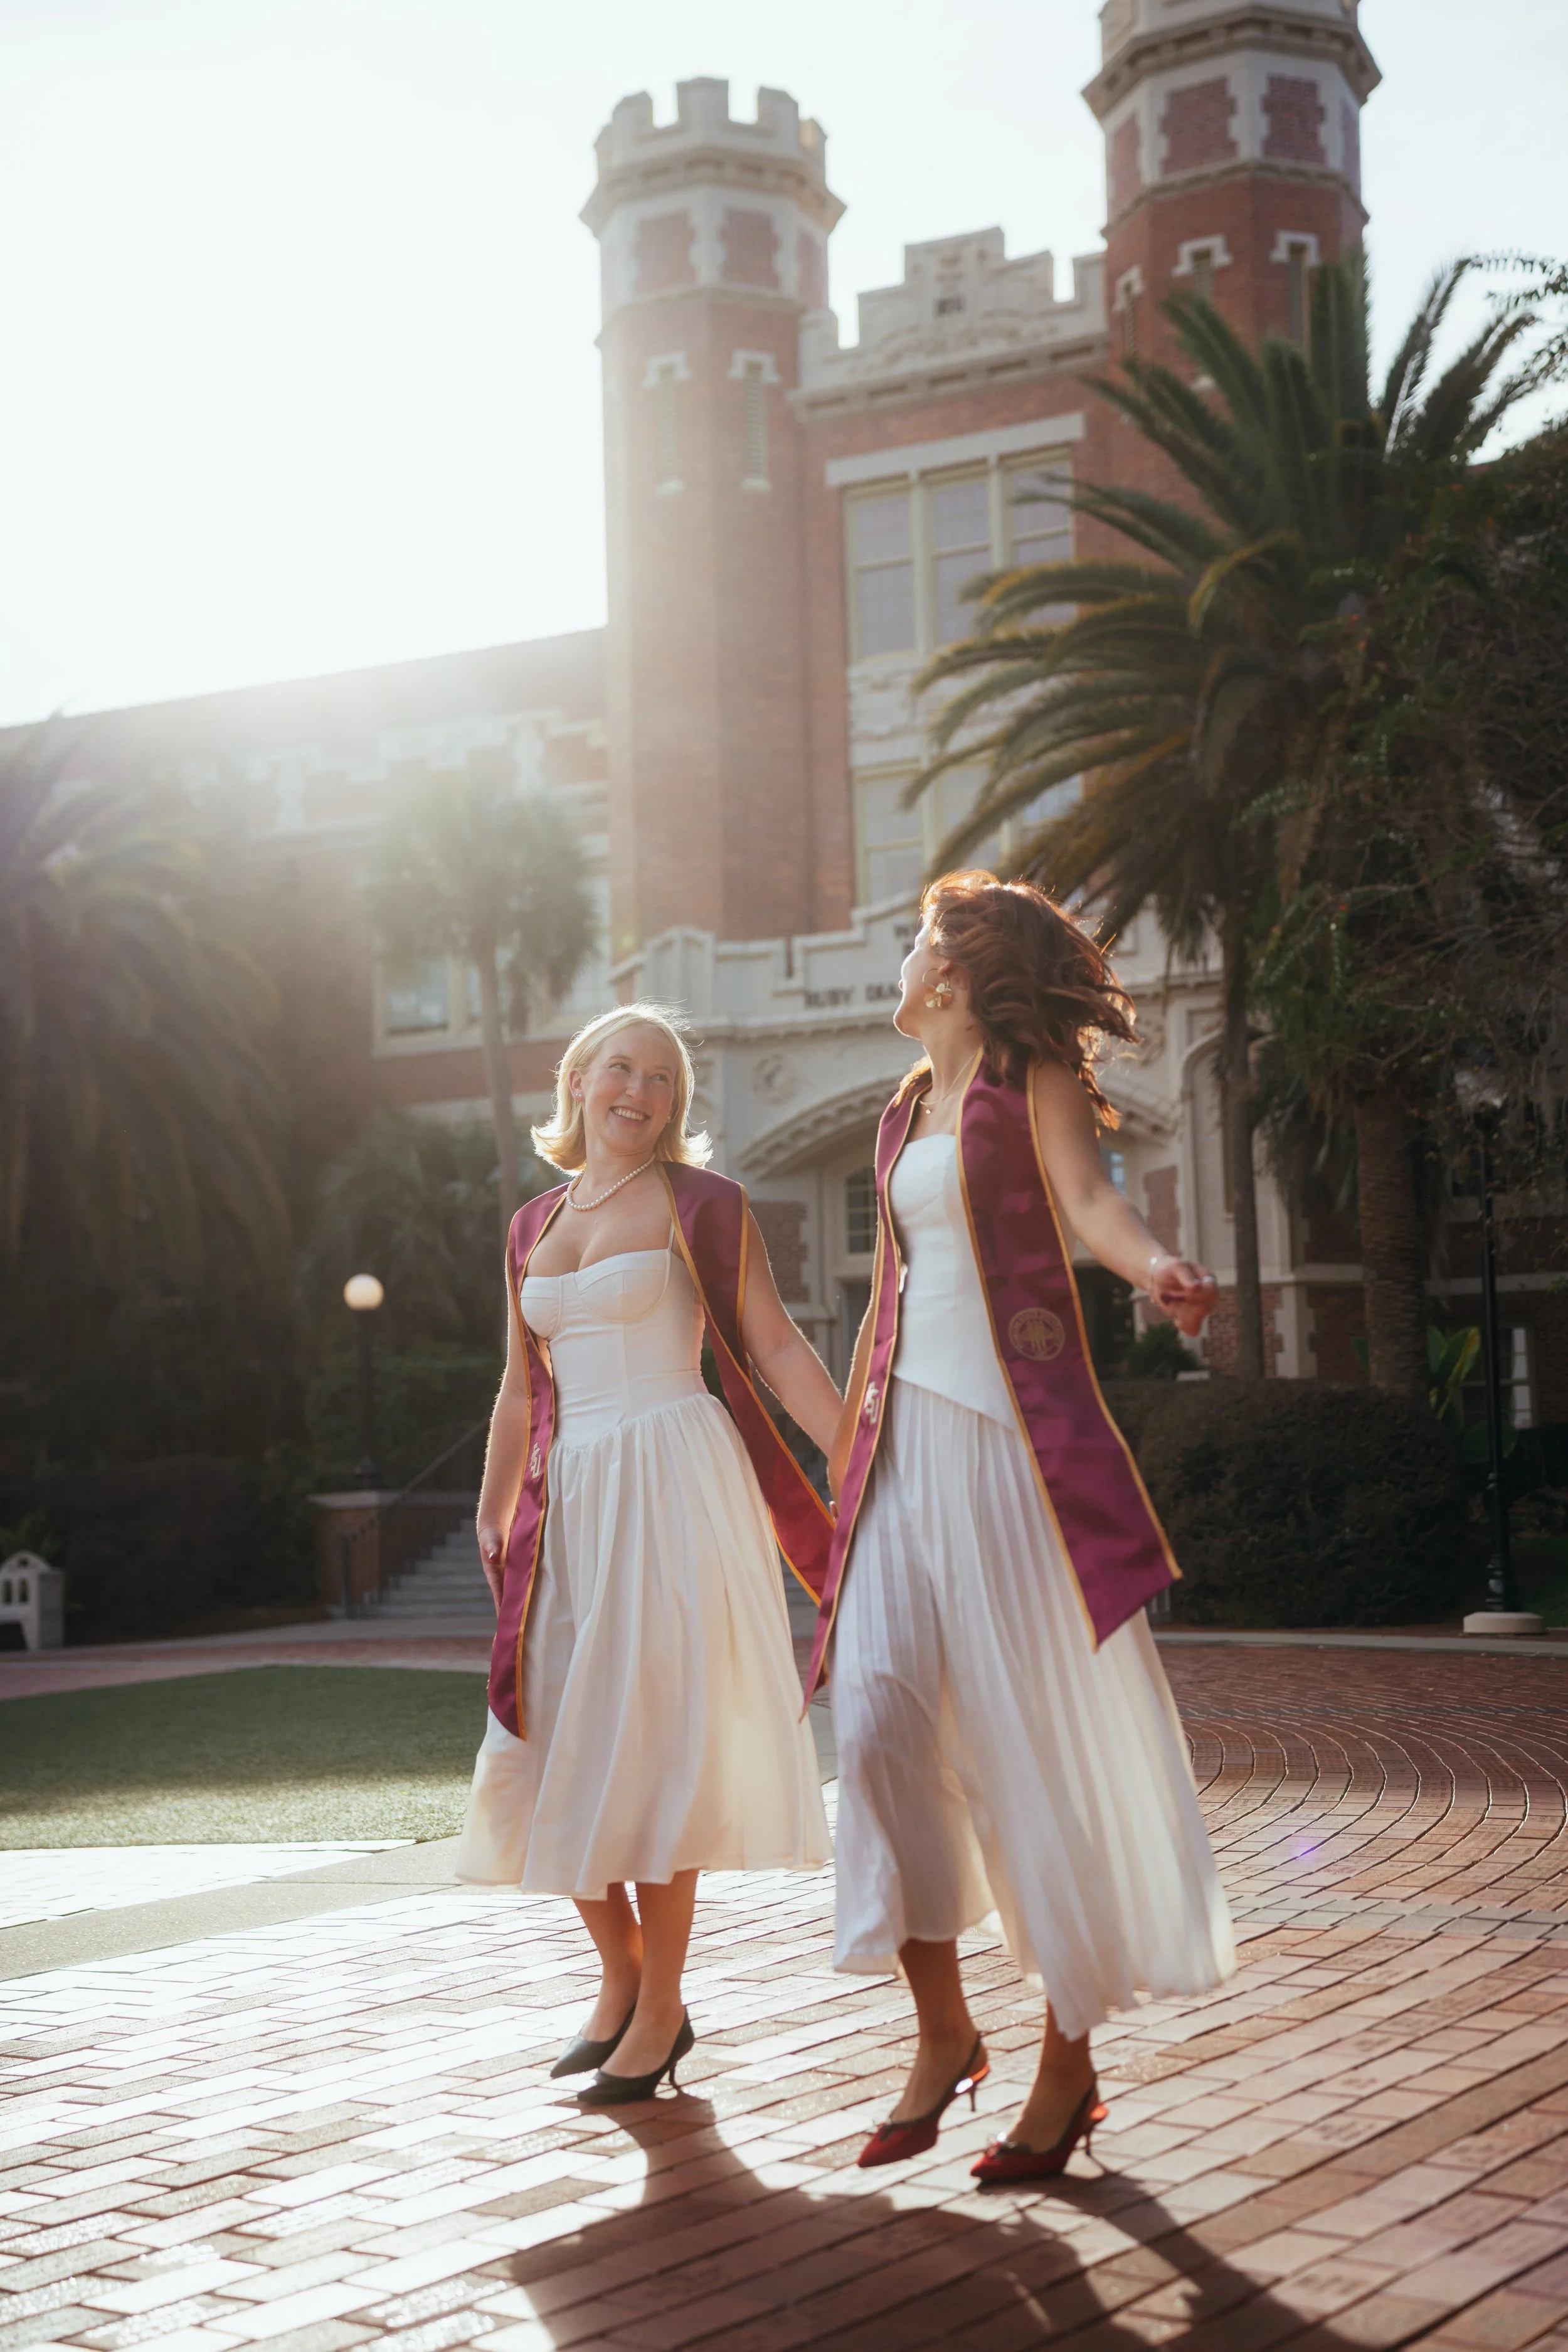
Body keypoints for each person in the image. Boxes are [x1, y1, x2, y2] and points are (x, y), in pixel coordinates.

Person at [818, 872, 1236, 2181]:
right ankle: (944, 2034)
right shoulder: (897, 1119)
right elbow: (887, 1297)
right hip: (899, 1453)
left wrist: (1153, 1265)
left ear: (950, 969)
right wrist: (840, 1457)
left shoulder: (1029, 1078)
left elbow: (1089, 1203)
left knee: (1021, 1736)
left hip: (1008, 1452)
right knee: (877, 1720)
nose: (897, 961)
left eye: (913, 943)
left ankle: (1063, 2062)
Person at [457, 1003, 840, 2104]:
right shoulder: (533, 1222)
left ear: (676, 1103)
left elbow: (771, 1342)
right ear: (578, 1079)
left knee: (658, 1742)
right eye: (620, 1068)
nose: (640, 1090)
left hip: (672, 1479)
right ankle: (620, 1968)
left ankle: (662, 2003)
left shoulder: (702, 1204)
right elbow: (522, 1382)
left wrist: (859, 1455)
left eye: (663, 1077)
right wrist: (492, 1502)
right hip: (565, 1500)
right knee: (545, 1741)